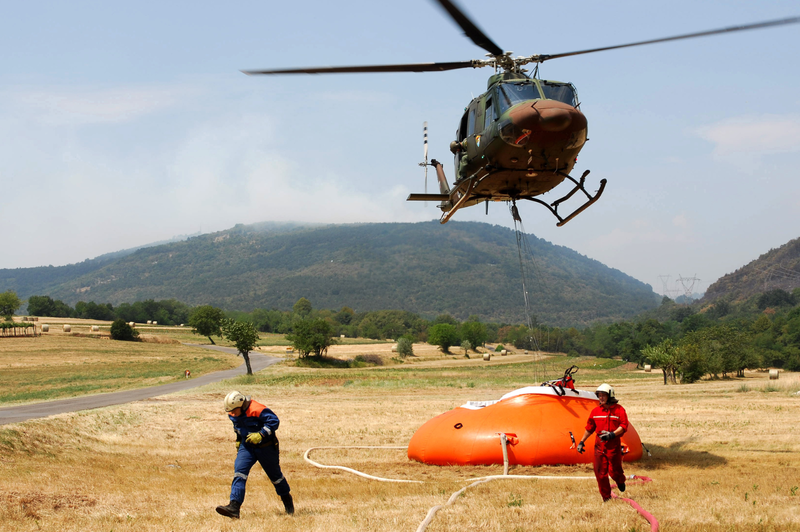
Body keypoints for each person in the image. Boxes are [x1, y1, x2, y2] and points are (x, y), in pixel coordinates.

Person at [216, 391, 294, 519]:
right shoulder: (233, 412)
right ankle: (234, 507)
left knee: (276, 477)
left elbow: (274, 421)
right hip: (246, 447)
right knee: (239, 473)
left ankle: (287, 500)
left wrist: (261, 434)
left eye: (234, 411)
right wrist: (238, 440)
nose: (232, 414)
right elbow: (237, 426)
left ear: (241, 405)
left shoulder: (257, 409)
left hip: (266, 448)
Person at [570, 383, 629, 502]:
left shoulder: (619, 410)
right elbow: (589, 428)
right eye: (599, 395)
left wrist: (612, 434)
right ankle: (606, 497)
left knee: (614, 471)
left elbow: (623, 426)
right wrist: (581, 442)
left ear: (610, 396)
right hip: (599, 446)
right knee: (600, 473)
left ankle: (620, 480)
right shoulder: (595, 411)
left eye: (603, 395)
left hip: (613, 446)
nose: (600, 398)